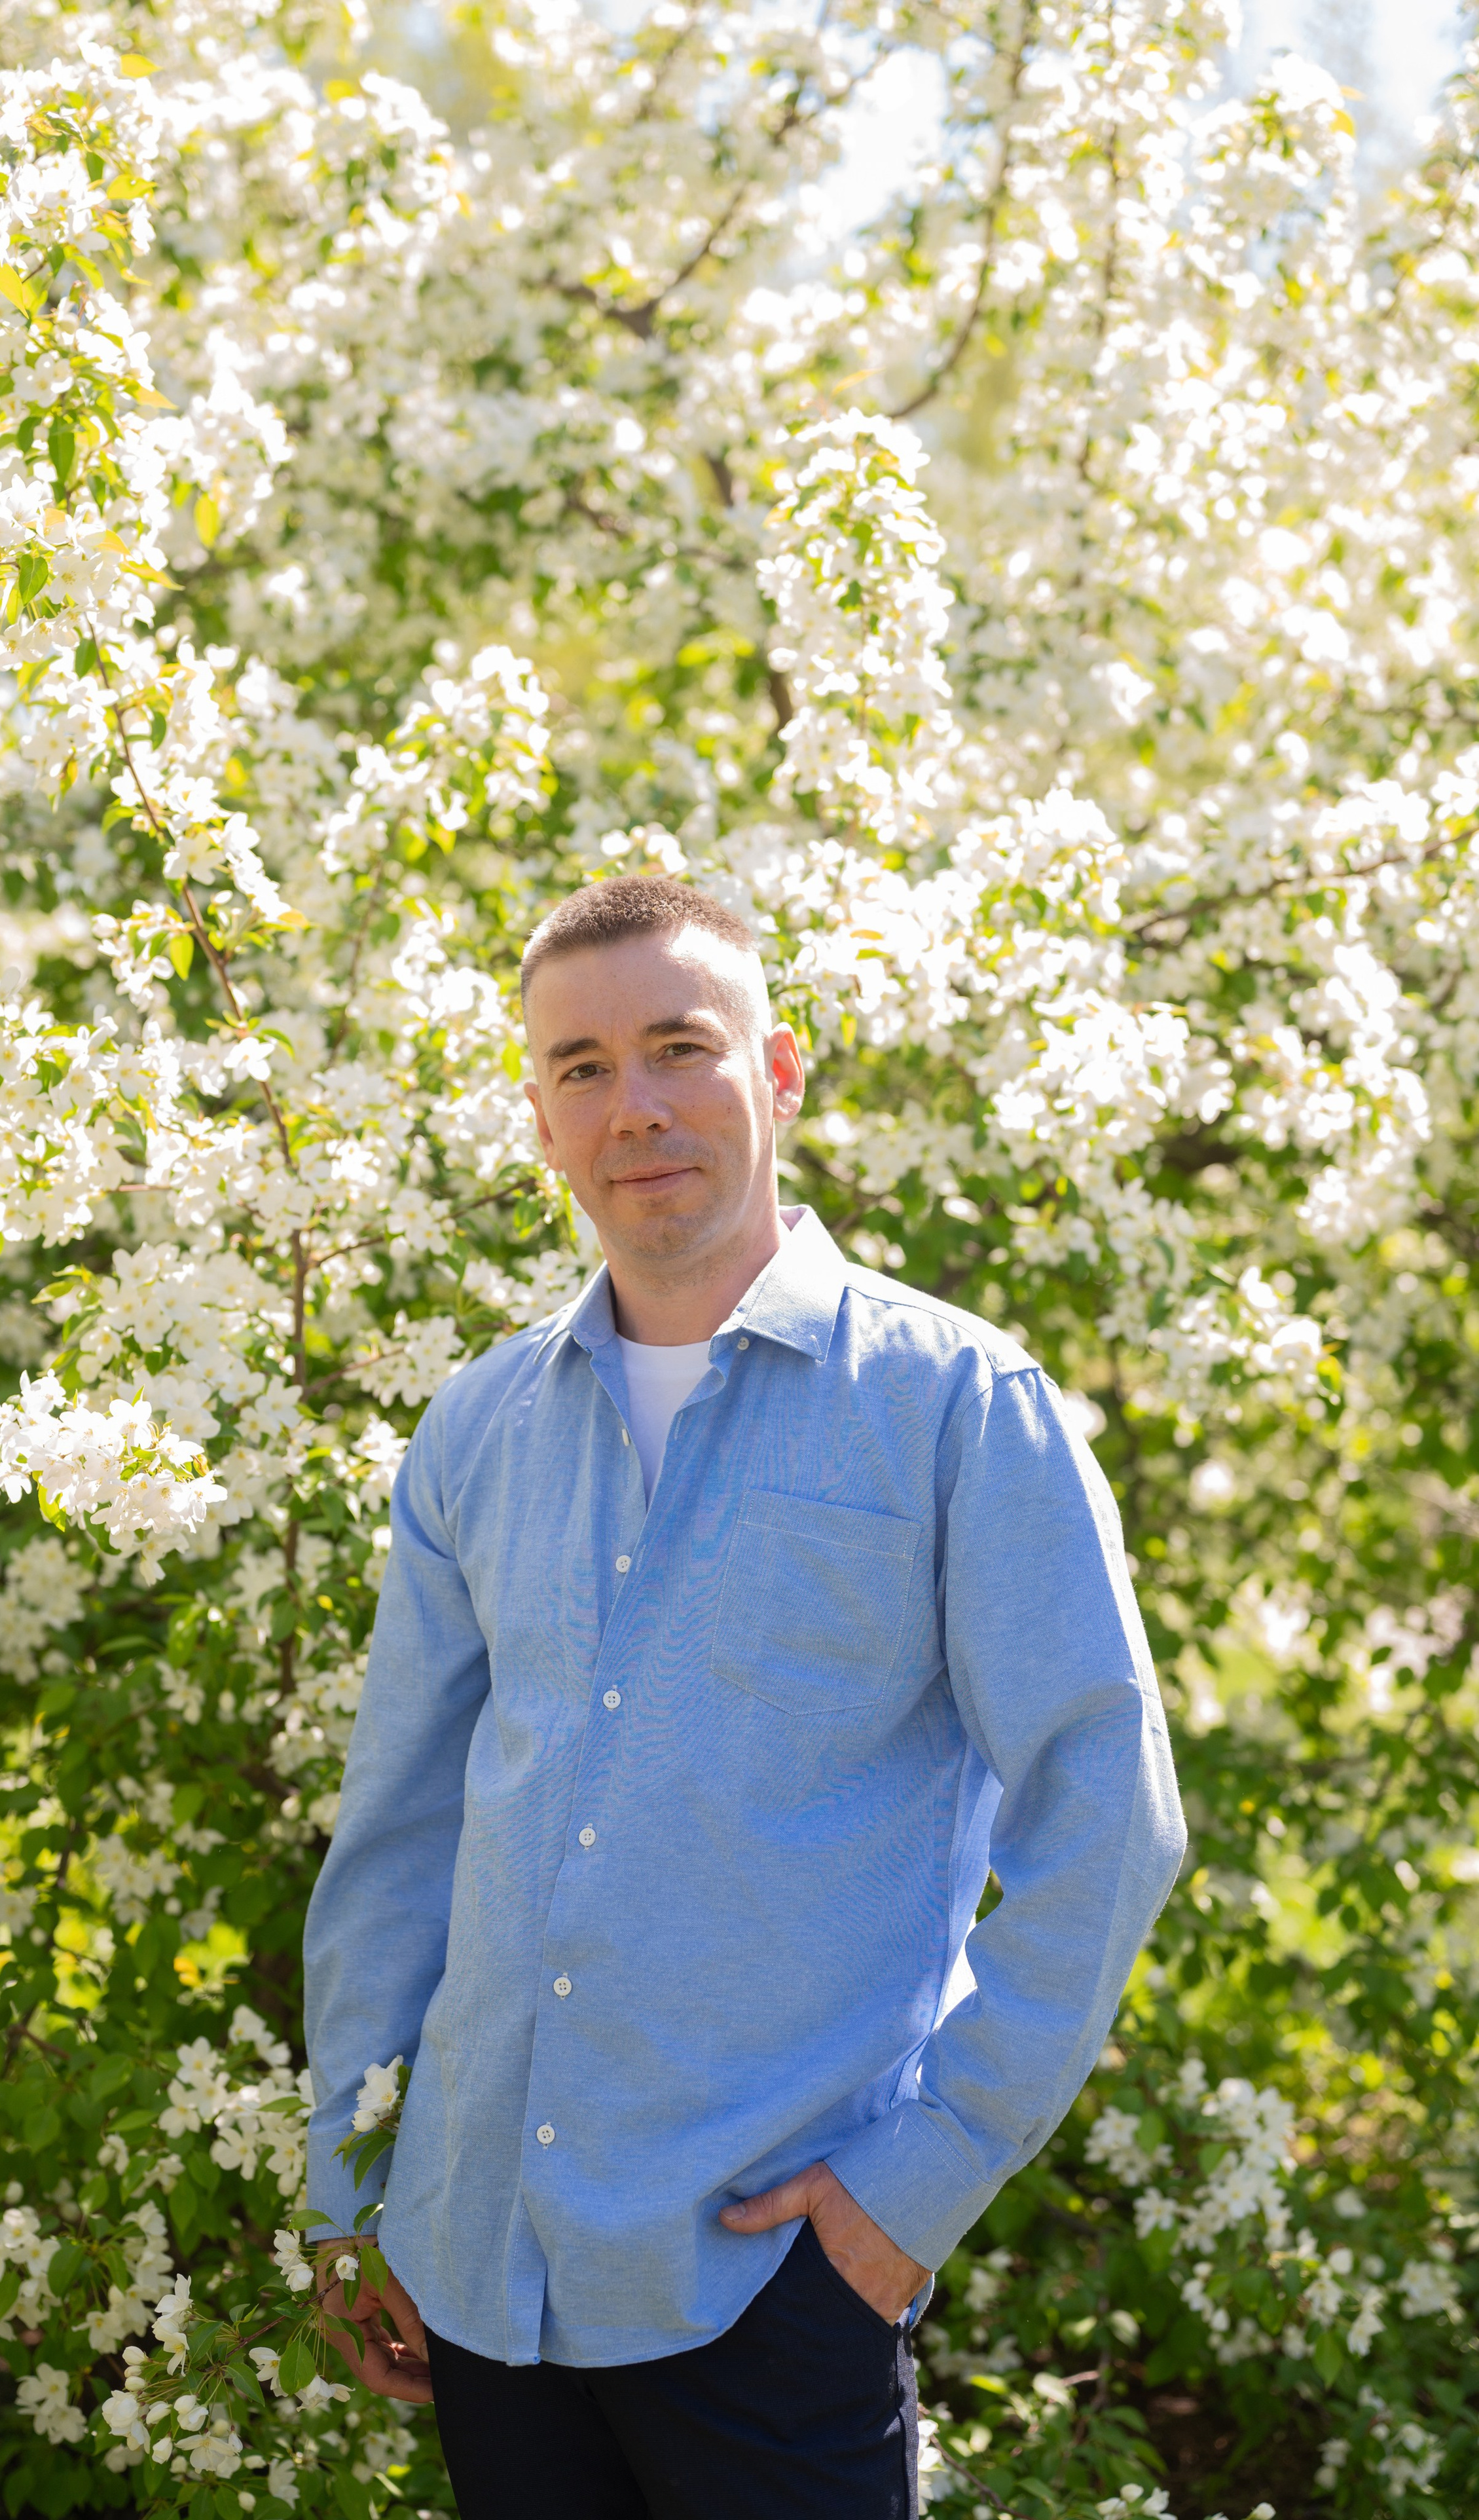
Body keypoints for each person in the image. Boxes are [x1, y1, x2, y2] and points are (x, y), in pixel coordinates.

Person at [302, 874, 1185, 2519]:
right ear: (540, 1117)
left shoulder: (950, 1403)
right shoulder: (479, 1429)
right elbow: (402, 1828)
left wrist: (910, 2187)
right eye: (579, 1067)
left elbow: (1104, 1815)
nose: (630, 1106)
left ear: (776, 1073)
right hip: (485, 2260)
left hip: (769, 2277)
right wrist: (350, 2178)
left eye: (675, 1048)